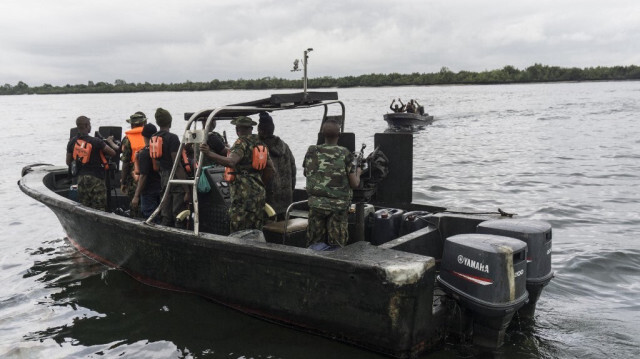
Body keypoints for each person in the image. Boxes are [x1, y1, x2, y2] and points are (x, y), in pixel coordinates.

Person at [199, 116, 274, 233]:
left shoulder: (241, 143)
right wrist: (259, 183)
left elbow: (231, 161)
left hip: (242, 195)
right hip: (259, 192)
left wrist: (209, 154)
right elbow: (270, 168)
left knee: (239, 227)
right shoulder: (261, 144)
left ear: (237, 129)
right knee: (256, 226)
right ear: (251, 128)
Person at [303, 119, 362, 249]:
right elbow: (354, 183)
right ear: (339, 135)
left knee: (314, 244)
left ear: (323, 134)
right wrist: (358, 171)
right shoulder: (345, 153)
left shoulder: (311, 151)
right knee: (337, 245)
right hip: (338, 207)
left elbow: (306, 173)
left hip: (316, 205)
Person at [66, 115, 117, 211]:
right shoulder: (96, 141)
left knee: (85, 207)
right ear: (87, 125)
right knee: (99, 208)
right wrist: (110, 142)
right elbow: (112, 153)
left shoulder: (72, 142)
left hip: (81, 179)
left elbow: (68, 162)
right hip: (96, 179)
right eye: (89, 125)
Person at [152, 107, 189, 227]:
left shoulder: (154, 137)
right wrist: (186, 189)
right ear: (170, 121)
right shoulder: (172, 138)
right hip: (174, 177)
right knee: (178, 213)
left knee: (166, 212)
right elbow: (177, 164)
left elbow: (157, 164)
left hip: (163, 177)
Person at [257, 111, 296, 217]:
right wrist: (290, 191)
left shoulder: (259, 148)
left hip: (268, 201)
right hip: (286, 200)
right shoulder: (285, 146)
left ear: (260, 131)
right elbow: (293, 172)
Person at [131, 123, 161, 219]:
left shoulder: (144, 153)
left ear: (143, 136)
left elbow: (143, 175)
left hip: (148, 191)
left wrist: (136, 196)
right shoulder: (160, 150)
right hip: (160, 188)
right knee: (159, 214)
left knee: (150, 216)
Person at [120, 111, 147, 217]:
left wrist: (123, 182)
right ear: (144, 123)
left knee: (134, 203)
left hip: (134, 177)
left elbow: (126, 163)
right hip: (150, 175)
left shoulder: (128, 139)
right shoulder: (151, 136)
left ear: (131, 124)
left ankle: (135, 219)